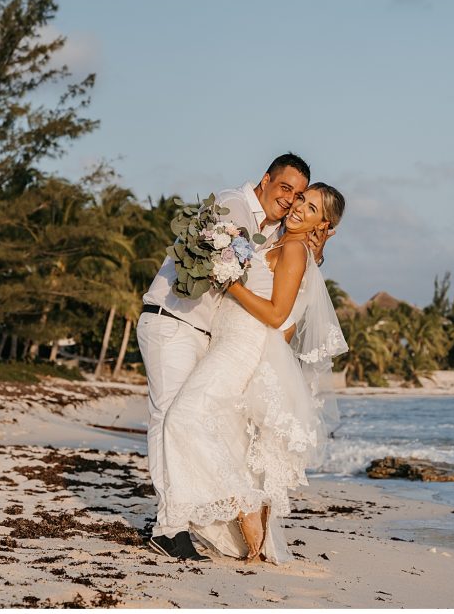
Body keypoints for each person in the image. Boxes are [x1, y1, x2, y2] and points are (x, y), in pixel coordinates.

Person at [137, 153, 330, 560]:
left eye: (300, 196)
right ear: (265, 179)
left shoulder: (278, 232)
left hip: (213, 336)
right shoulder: (232, 207)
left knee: (193, 421)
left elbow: (286, 303)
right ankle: (171, 526)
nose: (291, 200)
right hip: (173, 320)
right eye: (286, 189)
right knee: (172, 417)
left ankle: (184, 519)